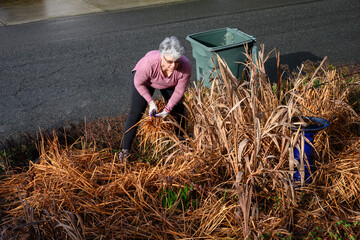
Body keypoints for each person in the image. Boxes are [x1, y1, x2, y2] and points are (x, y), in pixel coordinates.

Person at [118, 36, 192, 163]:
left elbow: (179, 91)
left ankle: (182, 143)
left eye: (177, 61)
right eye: (169, 61)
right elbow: (138, 83)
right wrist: (151, 102)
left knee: (178, 109)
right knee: (135, 114)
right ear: (162, 56)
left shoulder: (185, 67)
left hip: (169, 83)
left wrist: (168, 109)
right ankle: (125, 151)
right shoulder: (148, 64)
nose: (173, 66)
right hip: (146, 82)